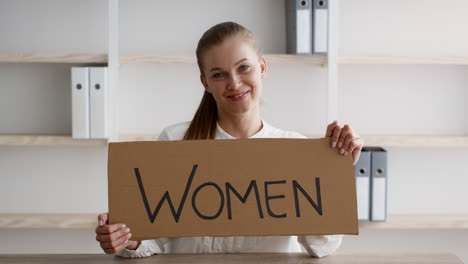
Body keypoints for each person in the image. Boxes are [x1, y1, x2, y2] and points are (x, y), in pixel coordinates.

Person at [95, 22, 363, 258]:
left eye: (243, 68)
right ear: (205, 83)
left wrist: (333, 175)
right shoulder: (175, 141)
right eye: (219, 74)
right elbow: (153, 239)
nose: (234, 83)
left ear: (262, 68)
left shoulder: (296, 148)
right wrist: (127, 240)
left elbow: (321, 248)